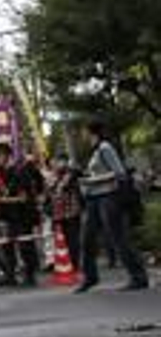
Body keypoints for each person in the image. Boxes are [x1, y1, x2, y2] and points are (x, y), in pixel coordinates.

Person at [74, 120, 149, 292]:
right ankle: (90, 278)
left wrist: (90, 180)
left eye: (83, 131)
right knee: (87, 238)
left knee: (118, 237)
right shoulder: (95, 150)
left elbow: (119, 172)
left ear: (91, 132)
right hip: (94, 198)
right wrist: (86, 176)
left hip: (109, 197)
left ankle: (138, 276)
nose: (82, 134)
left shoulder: (105, 147)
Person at [0, 143, 41, 287]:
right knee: (7, 246)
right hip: (9, 216)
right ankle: (11, 275)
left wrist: (2, 200)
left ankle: (30, 275)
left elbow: (23, 198)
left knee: (25, 245)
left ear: (5, 155)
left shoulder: (19, 171)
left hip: (23, 215)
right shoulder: (0, 173)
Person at [45, 154, 84, 273]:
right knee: (62, 239)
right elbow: (50, 191)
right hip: (58, 213)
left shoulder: (72, 174)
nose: (58, 164)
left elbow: (76, 178)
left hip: (72, 211)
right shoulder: (51, 176)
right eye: (57, 161)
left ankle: (75, 263)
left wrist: (70, 172)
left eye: (62, 161)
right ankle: (65, 263)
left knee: (73, 239)